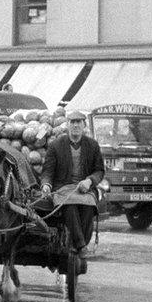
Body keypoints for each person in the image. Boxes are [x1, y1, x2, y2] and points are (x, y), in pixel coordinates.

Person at [41, 110, 105, 257]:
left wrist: (89, 181)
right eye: (72, 122)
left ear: (84, 126)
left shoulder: (93, 146)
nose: (75, 125)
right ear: (67, 125)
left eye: (78, 122)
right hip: (63, 188)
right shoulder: (56, 145)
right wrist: (46, 185)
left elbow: (100, 171)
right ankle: (81, 246)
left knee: (89, 208)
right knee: (68, 205)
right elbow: (47, 171)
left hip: (85, 189)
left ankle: (79, 243)